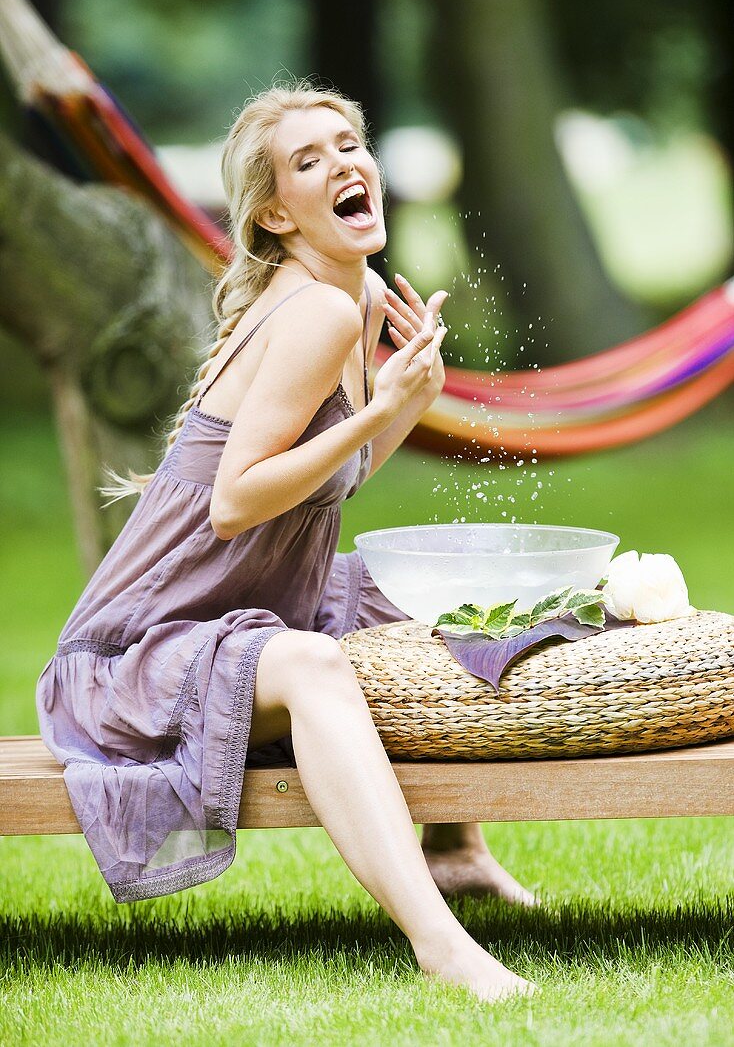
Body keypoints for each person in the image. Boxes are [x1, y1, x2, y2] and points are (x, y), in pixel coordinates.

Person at [36, 81, 535, 1002]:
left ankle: (457, 847)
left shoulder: (360, 293)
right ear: (273, 214)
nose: (345, 163)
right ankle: (441, 944)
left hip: (250, 608)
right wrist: (379, 412)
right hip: (134, 656)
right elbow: (235, 503)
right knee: (313, 665)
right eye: (310, 160)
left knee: (436, 600)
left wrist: (400, 412)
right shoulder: (317, 310)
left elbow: (315, 486)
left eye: (350, 145)